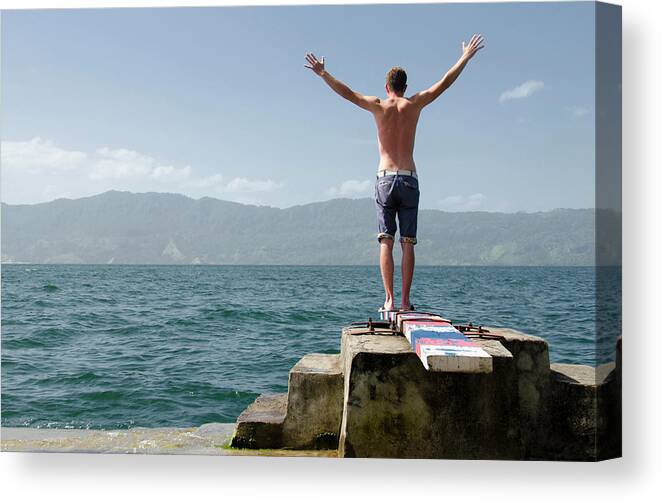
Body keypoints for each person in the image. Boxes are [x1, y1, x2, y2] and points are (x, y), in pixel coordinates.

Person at [305, 34, 484, 312]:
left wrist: (323, 73)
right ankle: (404, 301)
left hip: (385, 179)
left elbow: (348, 93)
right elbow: (444, 83)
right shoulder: (415, 104)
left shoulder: (379, 106)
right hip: (409, 179)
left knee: (386, 241)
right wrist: (464, 57)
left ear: (387, 86)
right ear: (405, 87)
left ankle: (388, 300)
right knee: (408, 243)